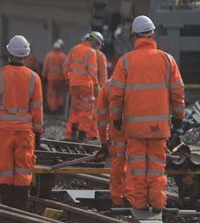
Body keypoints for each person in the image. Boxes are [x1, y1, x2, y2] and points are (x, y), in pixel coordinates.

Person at [108, 15, 185, 212]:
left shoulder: (126, 62)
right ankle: (158, 203)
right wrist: (178, 116)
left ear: (134, 36)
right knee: (157, 166)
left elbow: (115, 94)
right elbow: (177, 91)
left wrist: (116, 118)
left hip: (134, 128)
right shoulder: (167, 60)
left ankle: (140, 203)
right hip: (159, 127)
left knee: (138, 168)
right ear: (153, 34)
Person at [0, 35, 43, 210]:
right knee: (23, 170)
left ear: (8, 52)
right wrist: (38, 132)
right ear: (27, 54)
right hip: (25, 133)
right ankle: (20, 208)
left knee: (5, 170)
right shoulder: (34, 78)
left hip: (4, 132)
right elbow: (38, 109)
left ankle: (7, 208)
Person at [96, 79, 133, 207]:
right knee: (137, 164)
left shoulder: (107, 86)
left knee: (118, 165)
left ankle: (118, 199)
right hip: (138, 131)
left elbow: (101, 117)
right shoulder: (136, 82)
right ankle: (134, 197)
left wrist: (103, 142)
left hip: (117, 133)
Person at [63, 32, 99, 142]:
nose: (97, 47)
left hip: (73, 84)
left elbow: (65, 66)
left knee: (74, 109)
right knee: (87, 110)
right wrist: (96, 85)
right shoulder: (91, 52)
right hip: (86, 85)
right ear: (93, 41)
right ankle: (81, 135)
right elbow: (92, 71)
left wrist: (67, 79)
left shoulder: (74, 49)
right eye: (97, 44)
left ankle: (72, 133)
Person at [42, 39, 67, 114]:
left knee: (52, 94)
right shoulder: (64, 57)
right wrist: (67, 78)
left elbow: (45, 67)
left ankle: (53, 108)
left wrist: (43, 76)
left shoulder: (48, 56)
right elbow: (66, 69)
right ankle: (60, 105)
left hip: (51, 79)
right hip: (61, 79)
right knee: (61, 93)